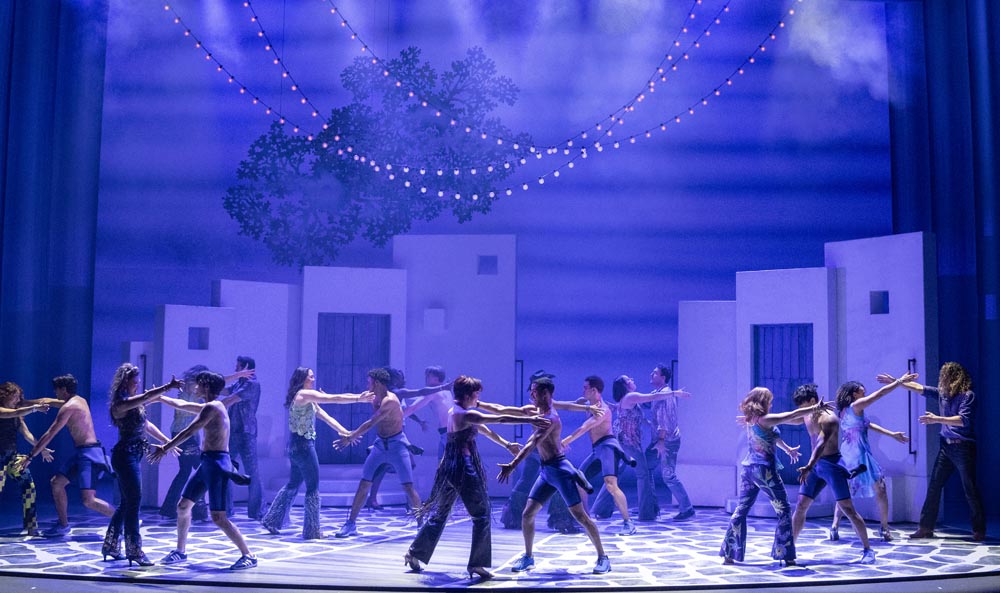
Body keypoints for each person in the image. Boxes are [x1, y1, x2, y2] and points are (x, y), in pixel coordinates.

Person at [404, 375, 549, 580]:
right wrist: (530, 419)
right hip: (462, 468)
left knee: (441, 514)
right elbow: (499, 418)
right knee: (481, 515)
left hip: (450, 467)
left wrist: (507, 445)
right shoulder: (463, 414)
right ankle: (477, 564)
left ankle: (414, 553)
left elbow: (484, 427)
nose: (479, 397)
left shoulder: (457, 411)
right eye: (476, 394)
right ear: (468, 395)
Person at [497, 377, 611, 575]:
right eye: (531, 391)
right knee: (527, 514)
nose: (531, 394)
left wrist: (512, 465)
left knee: (581, 517)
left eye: (535, 391)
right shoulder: (540, 408)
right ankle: (529, 557)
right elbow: (568, 405)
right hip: (546, 471)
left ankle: (603, 557)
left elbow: (532, 443)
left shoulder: (550, 417)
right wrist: (477, 405)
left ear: (545, 394)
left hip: (559, 470)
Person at [150, 370, 258, 570]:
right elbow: (181, 404)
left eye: (198, 384)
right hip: (207, 462)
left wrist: (165, 448)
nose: (195, 387)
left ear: (206, 386)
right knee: (183, 507)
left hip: (217, 465)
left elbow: (189, 430)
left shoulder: (212, 407)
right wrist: (158, 397)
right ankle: (180, 551)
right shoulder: (210, 406)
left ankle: (249, 555)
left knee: (218, 517)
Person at [720, 387, 829, 566]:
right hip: (764, 471)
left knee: (741, 510)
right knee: (784, 510)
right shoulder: (765, 419)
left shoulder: (753, 419)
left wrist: (788, 449)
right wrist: (815, 407)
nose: (771, 403)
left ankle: (729, 553)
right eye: (769, 400)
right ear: (762, 401)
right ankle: (785, 554)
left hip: (748, 469)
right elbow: (790, 415)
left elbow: (786, 426)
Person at [260, 367, 370, 539]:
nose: (314, 379)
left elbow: (327, 418)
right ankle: (312, 530)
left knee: (293, 484)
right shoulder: (304, 394)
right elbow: (334, 398)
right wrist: (358, 398)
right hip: (303, 447)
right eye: (311, 377)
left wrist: (346, 432)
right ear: (303, 379)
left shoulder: (307, 399)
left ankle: (272, 519)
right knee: (313, 487)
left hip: (297, 447)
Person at [881, 363, 986, 541]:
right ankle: (926, 528)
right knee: (934, 487)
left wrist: (936, 419)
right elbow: (919, 388)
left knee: (970, 489)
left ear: (954, 378)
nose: (942, 380)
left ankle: (979, 529)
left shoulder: (968, 396)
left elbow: (963, 421)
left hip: (963, 447)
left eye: (944, 376)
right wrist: (896, 381)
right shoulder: (942, 394)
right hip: (946, 447)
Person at [102, 363, 181, 566]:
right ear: (126, 382)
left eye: (138, 381)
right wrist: (166, 387)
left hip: (134, 454)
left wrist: (167, 442)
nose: (138, 384)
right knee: (134, 502)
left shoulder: (133, 404)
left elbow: (145, 424)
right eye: (135, 381)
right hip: (124, 456)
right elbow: (146, 397)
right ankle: (135, 551)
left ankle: (111, 546)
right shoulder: (120, 404)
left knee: (127, 502)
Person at [789, 383, 877, 564]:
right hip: (815, 467)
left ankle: (868, 549)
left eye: (803, 405)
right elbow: (791, 418)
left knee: (848, 509)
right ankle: (790, 547)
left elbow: (821, 444)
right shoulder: (806, 414)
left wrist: (808, 465)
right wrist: (761, 420)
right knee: (800, 506)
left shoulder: (829, 419)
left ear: (813, 401)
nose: (801, 410)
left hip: (831, 465)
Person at [20, 374, 116, 536]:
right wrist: (24, 404)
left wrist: (30, 456)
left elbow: (50, 433)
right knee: (57, 483)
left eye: (56, 390)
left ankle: (126, 520)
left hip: (89, 454)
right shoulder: (79, 400)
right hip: (82, 452)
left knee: (88, 500)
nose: (55, 393)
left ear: (63, 390)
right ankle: (63, 525)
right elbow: (47, 400)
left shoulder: (69, 407)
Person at [334, 368, 422, 538]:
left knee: (408, 487)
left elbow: (371, 422)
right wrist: (330, 398)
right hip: (380, 446)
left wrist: (351, 436)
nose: (367, 385)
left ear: (378, 383)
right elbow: (354, 397)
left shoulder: (390, 401)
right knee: (364, 483)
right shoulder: (373, 396)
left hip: (397, 446)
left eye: (369, 382)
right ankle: (351, 524)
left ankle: (421, 524)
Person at [828, 376, 914, 542]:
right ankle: (881, 528)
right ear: (854, 394)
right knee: (875, 490)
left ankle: (838, 526)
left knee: (848, 492)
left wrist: (892, 434)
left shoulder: (847, 410)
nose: (864, 391)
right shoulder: (855, 406)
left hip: (853, 454)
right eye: (861, 389)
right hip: (856, 456)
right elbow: (879, 394)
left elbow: (867, 424)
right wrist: (899, 381)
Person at [562, 375, 641, 536]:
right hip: (597, 450)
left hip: (607, 448)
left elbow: (585, 427)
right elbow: (570, 406)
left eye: (585, 388)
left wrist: (565, 441)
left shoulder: (601, 410)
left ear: (594, 390)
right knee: (580, 481)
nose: (583, 391)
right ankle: (587, 521)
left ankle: (628, 523)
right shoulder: (588, 403)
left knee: (611, 484)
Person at [365, 366, 452, 510]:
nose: (425, 377)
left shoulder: (400, 393)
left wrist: (418, 421)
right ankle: (412, 504)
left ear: (436, 377)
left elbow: (413, 404)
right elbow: (416, 399)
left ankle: (414, 504)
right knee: (394, 468)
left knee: (393, 467)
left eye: (428, 375)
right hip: (394, 435)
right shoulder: (396, 393)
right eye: (400, 376)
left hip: (401, 435)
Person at [0, 382, 54, 537]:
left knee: (28, 486)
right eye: (15, 396)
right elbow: (8, 414)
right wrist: (35, 408)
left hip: (12, 457)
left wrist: (41, 448)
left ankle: (31, 527)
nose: (17, 400)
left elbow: (27, 434)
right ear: (5, 395)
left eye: (19, 397)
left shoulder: (18, 415)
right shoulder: (4, 411)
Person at [159, 365, 211, 522]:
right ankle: (198, 510)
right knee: (202, 471)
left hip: (183, 434)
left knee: (185, 472)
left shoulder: (190, 390)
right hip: (185, 435)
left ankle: (169, 509)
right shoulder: (190, 390)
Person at [650, 363, 695, 521]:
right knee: (646, 468)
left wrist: (661, 440)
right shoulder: (659, 393)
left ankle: (687, 507)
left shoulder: (666, 395)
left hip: (667, 440)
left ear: (663, 377)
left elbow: (664, 420)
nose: (651, 374)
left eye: (655, 373)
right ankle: (650, 506)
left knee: (668, 475)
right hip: (661, 439)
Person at [225, 356, 262, 519]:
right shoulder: (239, 383)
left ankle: (257, 511)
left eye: (238, 366)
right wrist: (208, 387)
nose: (235, 368)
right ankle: (226, 509)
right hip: (233, 431)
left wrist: (208, 408)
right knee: (225, 469)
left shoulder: (252, 384)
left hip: (246, 433)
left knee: (251, 472)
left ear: (247, 367)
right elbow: (225, 391)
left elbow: (231, 399)